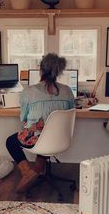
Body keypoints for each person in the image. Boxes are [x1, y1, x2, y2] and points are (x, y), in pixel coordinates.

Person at [6, 53, 75, 193]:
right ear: (58, 72)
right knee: (45, 135)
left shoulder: (29, 91)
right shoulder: (67, 90)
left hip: (38, 139)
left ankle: (27, 172)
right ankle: (38, 167)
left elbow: (23, 118)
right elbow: (69, 111)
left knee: (11, 141)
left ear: (41, 70)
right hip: (60, 138)